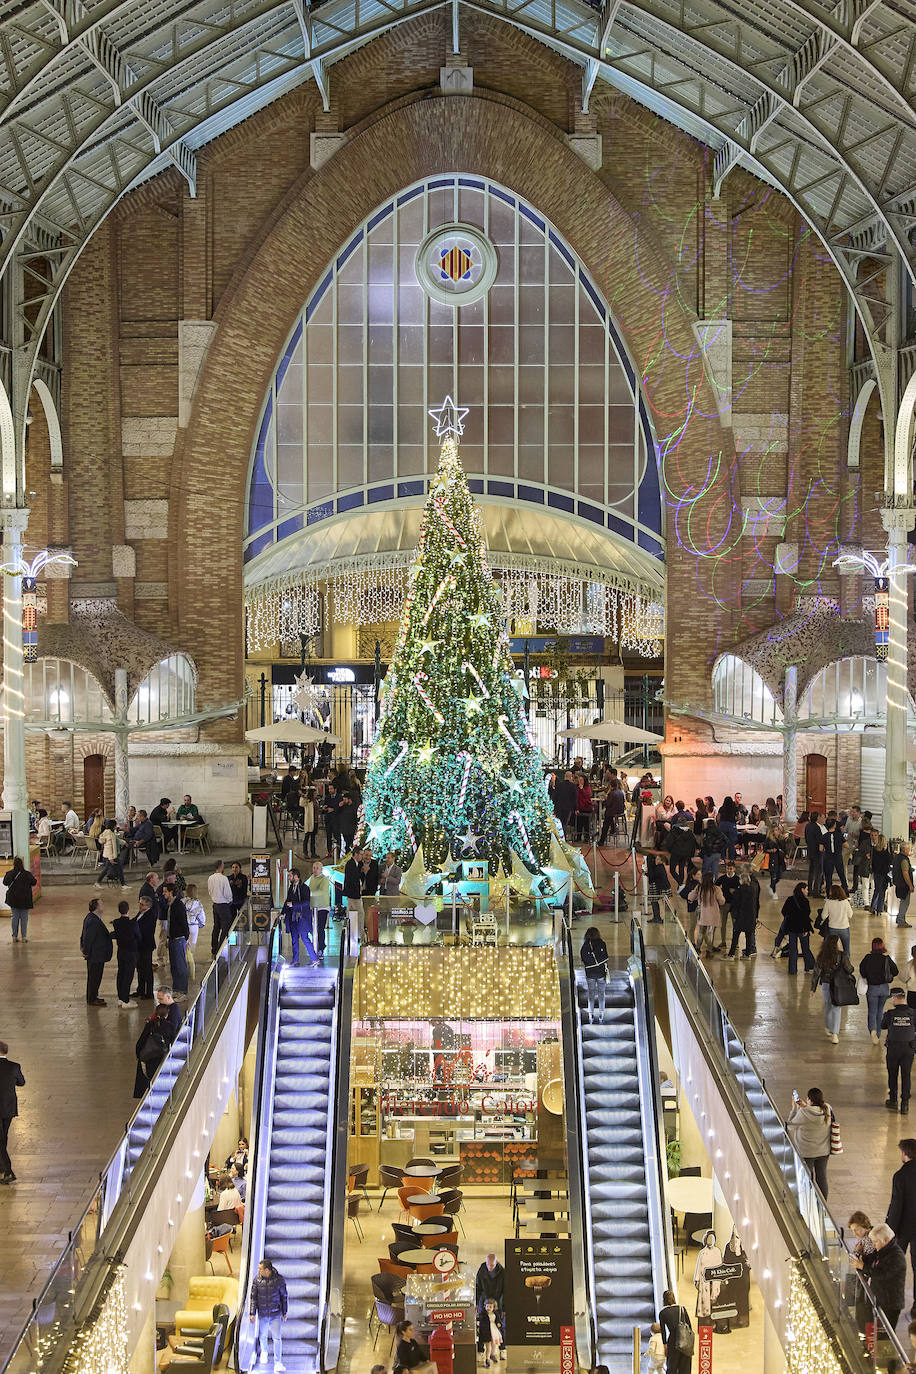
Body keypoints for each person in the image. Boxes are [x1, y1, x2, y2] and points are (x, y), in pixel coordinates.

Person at [854, 1223, 907, 1333]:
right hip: (878, 1299)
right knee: (871, 1333)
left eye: (875, 1241)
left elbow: (882, 1274)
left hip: (889, 1305)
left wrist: (863, 1266)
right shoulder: (883, 1249)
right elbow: (871, 1258)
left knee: (883, 1337)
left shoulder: (897, 1256)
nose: (873, 1245)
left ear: (886, 1240)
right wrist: (860, 1256)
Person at [132, 990, 182, 1097]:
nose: (159, 1001)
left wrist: (138, 1053)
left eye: (161, 999)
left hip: (152, 1056)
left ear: (168, 997)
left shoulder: (153, 1024)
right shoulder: (167, 1022)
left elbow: (141, 1040)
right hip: (160, 1054)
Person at [887, 1139, 916, 1311]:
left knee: (896, 1264)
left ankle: (892, 1301)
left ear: (905, 1154)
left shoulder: (900, 1176)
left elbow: (896, 1206)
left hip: (903, 1229)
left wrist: (891, 1230)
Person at [788, 1086, 833, 1197]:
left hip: (807, 1153)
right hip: (823, 1151)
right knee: (822, 1178)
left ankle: (808, 1203)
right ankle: (823, 1204)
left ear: (810, 1100)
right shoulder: (827, 1108)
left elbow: (790, 1126)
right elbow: (814, 1110)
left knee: (807, 1179)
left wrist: (795, 1108)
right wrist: (804, 1106)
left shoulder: (803, 1113)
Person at [810, 934, 855, 1044]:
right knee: (837, 1007)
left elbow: (816, 973)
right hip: (838, 985)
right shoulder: (842, 955)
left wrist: (813, 988)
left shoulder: (822, 956)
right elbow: (850, 969)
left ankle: (828, 1026)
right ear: (836, 944)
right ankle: (835, 1033)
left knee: (828, 1006)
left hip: (826, 985)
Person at [248, 1259, 288, 1372]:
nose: (258, 1270)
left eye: (260, 1269)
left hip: (276, 1313)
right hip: (263, 1313)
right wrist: (252, 1313)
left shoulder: (279, 1280)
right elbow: (253, 1298)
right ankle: (264, 1352)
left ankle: (278, 1362)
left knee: (277, 1338)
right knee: (263, 1335)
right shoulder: (257, 1280)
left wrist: (284, 1312)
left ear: (267, 1270)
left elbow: (284, 1296)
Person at [861, 938, 899, 1044]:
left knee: (872, 1012)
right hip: (884, 989)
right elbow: (895, 971)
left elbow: (862, 972)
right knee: (880, 1011)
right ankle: (878, 1034)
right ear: (882, 946)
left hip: (872, 989)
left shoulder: (867, 958)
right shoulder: (886, 959)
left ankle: (873, 1030)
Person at [884, 989, 916, 1114]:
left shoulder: (890, 1014)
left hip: (893, 1048)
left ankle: (893, 1100)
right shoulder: (913, 1013)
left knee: (893, 1074)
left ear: (894, 999)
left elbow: (882, 1025)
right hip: (908, 1048)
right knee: (906, 1075)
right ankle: (905, 1105)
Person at [80, 897, 114, 1006]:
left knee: (96, 977)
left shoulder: (91, 917)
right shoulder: (93, 921)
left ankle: (94, 996)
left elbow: (83, 935)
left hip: (97, 954)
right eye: (101, 904)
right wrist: (85, 950)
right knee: (94, 977)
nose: (103, 906)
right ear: (97, 907)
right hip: (95, 955)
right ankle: (92, 999)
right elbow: (88, 937)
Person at [0, 1040, 25, 1184]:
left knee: (1, 1139)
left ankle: (8, 1171)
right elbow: (21, 1082)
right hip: (9, 1108)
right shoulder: (14, 1066)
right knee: (3, 1136)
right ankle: (2, 1166)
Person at [282, 869, 316, 966]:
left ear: (295, 876)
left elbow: (306, 902)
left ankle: (314, 958)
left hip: (302, 917)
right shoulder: (291, 887)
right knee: (294, 939)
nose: (288, 877)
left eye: (290, 876)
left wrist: (294, 904)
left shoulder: (305, 888)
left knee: (304, 938)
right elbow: (287, 901)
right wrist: (283, 912)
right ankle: (295, 960)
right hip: (293, 917)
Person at [111, 900, 139, 1009]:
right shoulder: (132, 923)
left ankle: (120, 998)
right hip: (131, 952)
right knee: (128, 975)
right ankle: (126, 1000)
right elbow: (138, 936)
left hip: (121, 951)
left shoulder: (116, 922)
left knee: (121, 973)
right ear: (128, 910)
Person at [3, 855, 36, 942]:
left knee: (14, 918)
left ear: (14, 864)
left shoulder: (9, 874)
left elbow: (5, 883)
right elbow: (34, 882)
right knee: (24, 919)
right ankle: (24, 937)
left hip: (13, 900)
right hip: (25, 900)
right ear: (22, 864)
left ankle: (14, 936)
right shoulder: (27, 874)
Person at [658, 1289, 692, 1373]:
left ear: (664, 1300)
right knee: (685, 1367)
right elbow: (690, 1326)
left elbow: (663, 1331)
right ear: (674, 1298)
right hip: (685, 1340)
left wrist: (665, 1345)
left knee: (672, 1366)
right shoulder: (682, 1309)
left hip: (673, 1341)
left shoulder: (663, 1313)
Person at [728, 869, 758, 960]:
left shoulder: (740, 890)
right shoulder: (753, 888)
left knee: (736, 935)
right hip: (751, 916)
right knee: (748, 935)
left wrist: (733, 914)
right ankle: (747, 955)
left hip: (741, 916)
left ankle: (731, 954)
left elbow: (736, 903)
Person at [581, 926, 609, 1024]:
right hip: (601, 972)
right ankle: (601, 1014)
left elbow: (583, 959)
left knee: (591, 994)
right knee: (601, 994)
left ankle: (590, 1015)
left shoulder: (585, 946)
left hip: (590, 973)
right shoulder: (602, 944)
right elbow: (606, 957)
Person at [208, 859, 235, 958]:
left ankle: (214, 948)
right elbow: (227, 893)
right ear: (221, 866)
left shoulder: (210, 878)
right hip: (223, 905)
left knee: (216, 927)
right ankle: (220, 948)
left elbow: (210, 891)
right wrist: (230, 900)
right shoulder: (223, 879)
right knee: (225, 927)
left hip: (215, 904)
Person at [694, 872, 724, 957]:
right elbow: (721, 901)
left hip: (702, 913)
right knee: (710, 932)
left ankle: (697, 948)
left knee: (701, 932)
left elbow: (691, 896)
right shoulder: (716, 889)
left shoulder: (700, 888)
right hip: (713, 914)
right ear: (712, 879)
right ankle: (709, 950)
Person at [167, 886, 190, 996]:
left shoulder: (178, 905)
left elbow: (183, 923)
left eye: (165, 892)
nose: (163, 894)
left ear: (171, 892)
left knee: (181, 966)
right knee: (174, 966)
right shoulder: (171, 904)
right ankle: (176, 989)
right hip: (172, 939)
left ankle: (183, 991)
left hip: (178, 939)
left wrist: (185, 937)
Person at [694, 1231, 721, 1319]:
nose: (710, 1241)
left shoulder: (717, 1251)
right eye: (709, 1239)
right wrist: (697, 1279)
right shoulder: (702, 1252)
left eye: (712, 1239)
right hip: (704, 1280)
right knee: (703, 1301)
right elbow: (699, 1266)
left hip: (714, 1279)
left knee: (713, 1300)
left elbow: (719, 1266)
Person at [95, 820, 128, 890]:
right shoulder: (109, 834)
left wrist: (124, 842)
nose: (116, 827)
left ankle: (123, 884)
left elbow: (116, 840)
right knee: (107, 870)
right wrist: (111, 858)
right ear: (113, 826)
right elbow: (109, 846)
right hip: (110, 856)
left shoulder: (110, 833)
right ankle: (97, 882)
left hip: (112, 855)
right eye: (116, 825)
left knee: (119, 869)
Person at [135, 895, 157, 1000]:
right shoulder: (141, 913)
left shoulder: (150, 915)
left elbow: (142, 928)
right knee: (140, 968)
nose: (139, 905)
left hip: (146, 946)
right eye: (139, 903)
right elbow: (134, 922)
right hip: (139, 945)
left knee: (147, 969)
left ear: (147, 905)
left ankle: (149, 992)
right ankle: (140, 989)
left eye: (141, 904)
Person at [823, 883, 853, 956]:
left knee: (831, 949)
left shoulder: (828, 902)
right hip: (844, 927)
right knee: (846, 949)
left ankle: (832, 964)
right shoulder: (845, 902)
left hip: (832, 928)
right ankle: (846, 964)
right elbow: (850, 915)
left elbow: (823, 916)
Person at [184, 882, 206, 981]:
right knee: (191, 950)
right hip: (193, 928)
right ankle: (191, 971)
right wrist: (201, 924)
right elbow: (202, 918)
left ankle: (184, 968)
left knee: (183, 948)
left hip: (184, 927)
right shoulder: (198, 903)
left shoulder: (181, 902)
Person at [477, 1298, 504, 1368]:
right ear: (485, 1306)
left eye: (490, 1307)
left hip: (494, 1330)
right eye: (487, 1306)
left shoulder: (495, 1314)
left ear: (494, 1307)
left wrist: (498, 1323)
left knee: (494, 1344)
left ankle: (493, 1354)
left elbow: (498, 1320)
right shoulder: (483, 1315)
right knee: (488, 1346)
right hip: (487, 1331)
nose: (488, 1308)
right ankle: (487, 1359)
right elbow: (481, 1321)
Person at [804, 811, 825, 897]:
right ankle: (816, 890)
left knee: (811, 871)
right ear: (817, 818)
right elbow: (820, 840)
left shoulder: (808, 826)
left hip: (810, 850)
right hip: (817, 851)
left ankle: (809, 889)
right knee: (819, 871)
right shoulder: (817, 827)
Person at [896, 842, 916, 928]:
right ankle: (901, 920)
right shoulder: (904, 860)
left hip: (899, 884)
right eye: (908, 849)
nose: (909, 851)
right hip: (904, 885)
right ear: (904, 850)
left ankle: (899, 918)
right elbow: (905, 873)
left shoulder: (897, 857)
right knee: (905, 903)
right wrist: (910, 885)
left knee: (903, 902)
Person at [872, 834, 892, 915]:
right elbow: (889, 863)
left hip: (876, 872)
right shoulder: (886, 853)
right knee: (882, 891)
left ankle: (873, 906)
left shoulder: (874, 851)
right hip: (883, 874)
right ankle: (879, 909)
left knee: (876, 889)